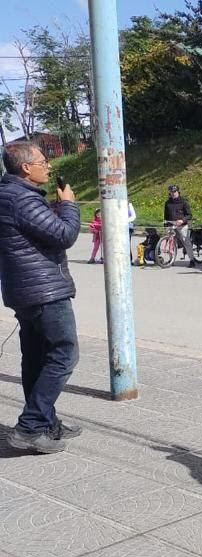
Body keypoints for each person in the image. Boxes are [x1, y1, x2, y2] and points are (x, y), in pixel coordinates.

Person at [0, 142, 82, 453]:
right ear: (25, 168)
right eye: (42, 161)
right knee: (64, 353)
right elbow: (64, 235)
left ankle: (46, 422)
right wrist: (68, 205)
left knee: (35, 357)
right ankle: (31, 426)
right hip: (44, 290)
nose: (47, 166)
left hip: (24, 289)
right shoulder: (22, 198)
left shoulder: (9, 194)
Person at [163, 184, 197, 268]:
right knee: (171, 241)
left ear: (178, 192)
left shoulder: (184, 202)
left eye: (174, 191)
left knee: (186, 241)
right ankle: (171, 259)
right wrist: (166, 224)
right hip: (171, 224)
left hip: (182, 225)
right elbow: (166, 215)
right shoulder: (167, 203)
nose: (173, 193)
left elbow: (189, 215)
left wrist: (182, 220)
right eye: (171, 192)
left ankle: (192, 260)